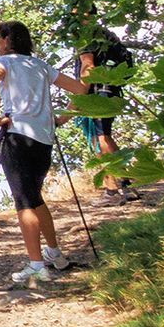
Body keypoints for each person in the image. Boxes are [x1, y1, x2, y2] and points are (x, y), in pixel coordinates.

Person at [0, 21, 89, 284]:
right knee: (35, 196)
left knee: (23, 201)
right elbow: (80, 89)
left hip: (16, 135)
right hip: (44, 138)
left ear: (8, 40)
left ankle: (36, 264)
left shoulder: (5, 63)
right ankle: (54, 253)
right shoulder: (40, 65)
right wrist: (62, 118)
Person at [68, 25, 138, 202]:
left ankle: (112, 190)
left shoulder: (84, 34)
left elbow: (88, 66)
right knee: (105, 136)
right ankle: (127, 186)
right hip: (111, 90)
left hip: (97, 93)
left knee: (99, 139)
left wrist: (80, 95)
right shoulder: (104, 34)